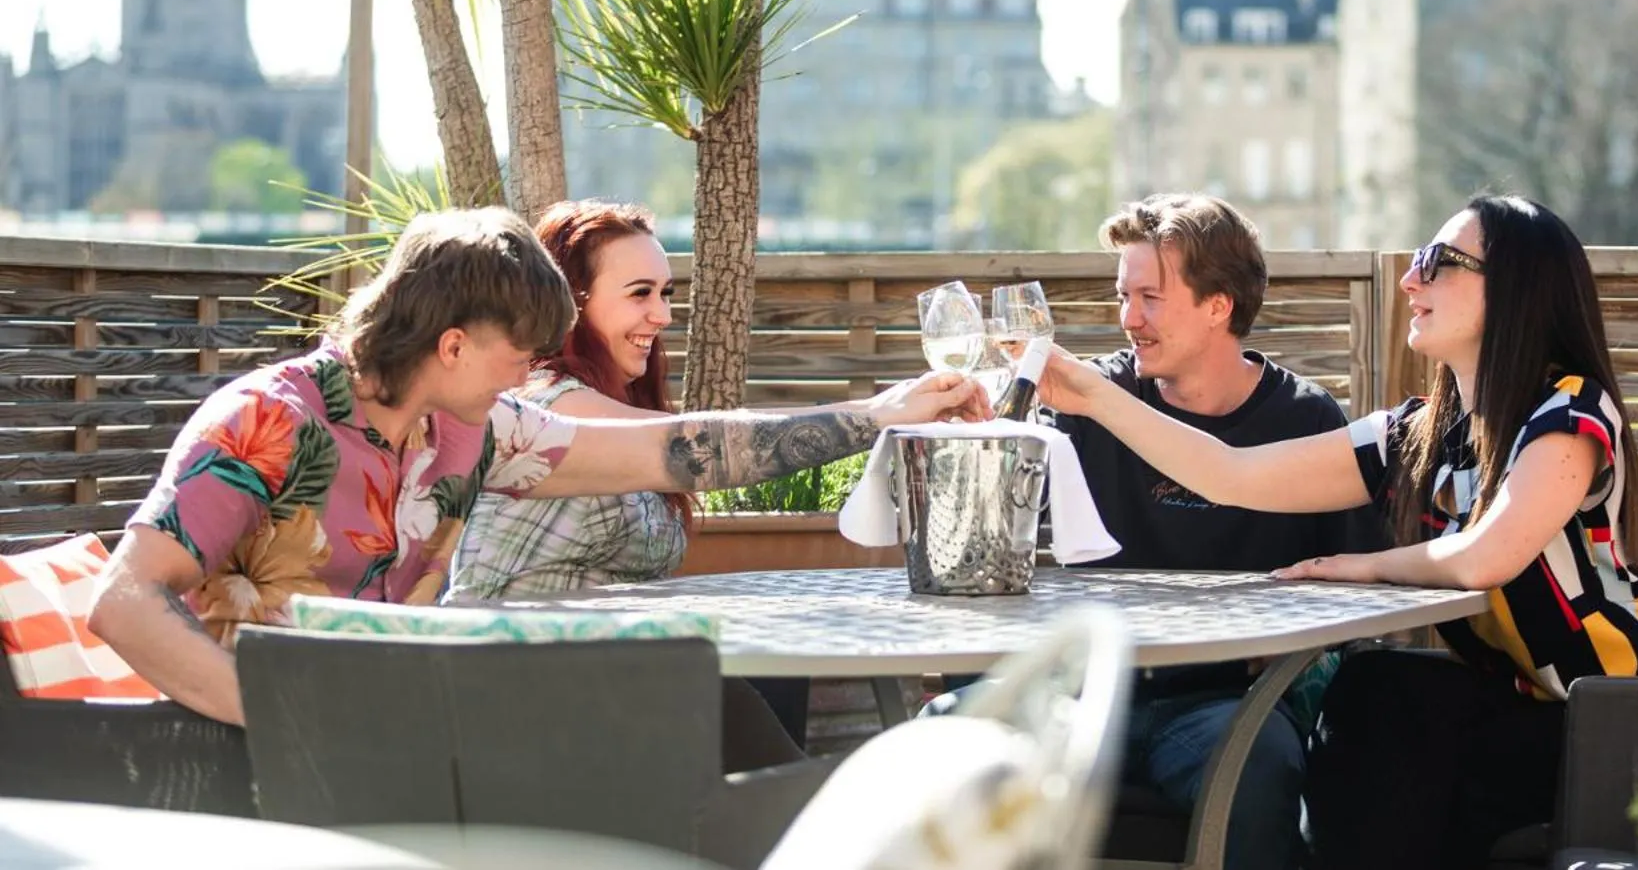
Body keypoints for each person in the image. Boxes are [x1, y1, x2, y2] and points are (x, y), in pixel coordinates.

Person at [88, 207, 985, 727]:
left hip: (391, 734)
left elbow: (677, 451)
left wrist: (876, 414)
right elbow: (124, 599)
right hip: (243, 754)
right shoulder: (268, 422)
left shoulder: (468, 431)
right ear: (449, 344)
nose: (532, 374)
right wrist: (289, 720)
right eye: (519, 353)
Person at [1036, 195, 1638, 870]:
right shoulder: (1416, 435)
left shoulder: (1570, 411)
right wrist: (1093, 395)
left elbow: (1485, 554)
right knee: (1375, 697)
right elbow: (1227, 472)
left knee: (1387, 725)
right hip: (1531, 711)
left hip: (1636, 713)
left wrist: (1366, 563)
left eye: (1436, 262)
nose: (1410, 279)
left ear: (1514, 288)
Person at [1042, 194, 1386, 870]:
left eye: (1150, 296)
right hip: (1084, 695)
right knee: (948, 735)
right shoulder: (1090, 400)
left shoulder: (1306, 419)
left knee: (1261, 766)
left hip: (1226, 707)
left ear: (1218, 305)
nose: (1127, 318)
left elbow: (1356, 589)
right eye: (1123, 295)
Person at [445, 199, 808, 762]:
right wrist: (875, 417)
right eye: (640, 293)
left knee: (773, 677)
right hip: (516, 701)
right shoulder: (555, 408)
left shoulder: (605, 399)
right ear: (570, 304)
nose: (662, 315)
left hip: (600, 679)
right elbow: (706, 447)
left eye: (665, 293)